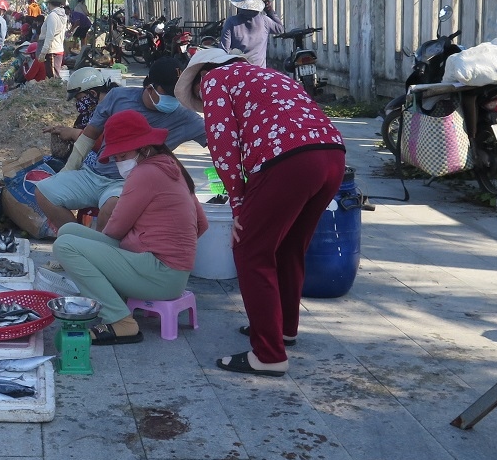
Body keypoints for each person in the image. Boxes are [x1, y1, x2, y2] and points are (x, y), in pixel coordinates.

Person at [175, 48, 345, 377]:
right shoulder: (270, 75)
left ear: (199, 76)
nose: (201, 101)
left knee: (251, 250)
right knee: (289, 246)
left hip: (288, 160)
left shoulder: (214, 79)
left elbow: (223, 146)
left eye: (196, 96)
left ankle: (268, 354)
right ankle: (283, 329)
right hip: (331, 154)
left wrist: (239, 205)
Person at [53, 110, 207, 345]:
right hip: (170, 272)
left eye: (121, 155)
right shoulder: (170, 165)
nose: (118, 162)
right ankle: (115, 296)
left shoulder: (145, 173)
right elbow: (202, 225)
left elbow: (115, 230)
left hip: (160, 275)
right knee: (68, 232)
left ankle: (120, 321)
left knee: (66, 246)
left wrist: (106, 259)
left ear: (143, 148)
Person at [35, 57, 206, 233]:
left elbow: (218, 142)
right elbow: (89, 135)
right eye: (168, 92)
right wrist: (69, 170)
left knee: (111, 209)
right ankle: (76, 239)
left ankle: (97, 254)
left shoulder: (186, 118)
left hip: (129, 182)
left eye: (176, 93)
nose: (173, 98)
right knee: (44, 192)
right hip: (94, 174)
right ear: (149, 87)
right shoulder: (118, 98)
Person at [219, 0, 284, 67]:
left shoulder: (231, 22)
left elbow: (224, 51)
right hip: (259, 72)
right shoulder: (265, 21)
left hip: (239, 72)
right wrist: (269, 9)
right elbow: (280, 29)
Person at [39, 0, 69, 78]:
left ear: (50, 4)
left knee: (53, 78)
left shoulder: (53, 16)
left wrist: (43, 52)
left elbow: (50, 36)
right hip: (58, 49)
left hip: (52, 51)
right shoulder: (63, 15)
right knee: (54, 76)